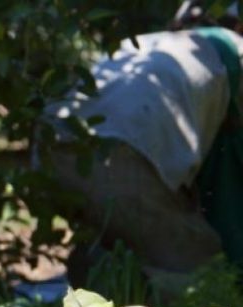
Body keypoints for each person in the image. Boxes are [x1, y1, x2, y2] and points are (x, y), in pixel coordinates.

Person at [45, 1, 243, 290]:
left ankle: (99, 288)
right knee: (202, 268)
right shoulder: (233, 50)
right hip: (122, 153)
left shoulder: (150, 44)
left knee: (114, 236)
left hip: (51, 145)